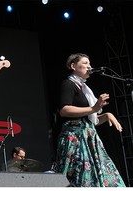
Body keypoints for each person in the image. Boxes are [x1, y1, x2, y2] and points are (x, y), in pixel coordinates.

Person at [54, 53, 126, 187]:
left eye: (90, 63)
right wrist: (93, 108)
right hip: (75, 137)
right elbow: (65, 110)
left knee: (103, 174)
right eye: (85, 63)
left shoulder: (85, 88)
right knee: (78, 176)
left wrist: (106, 115)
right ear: (73, 66)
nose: (89, 66)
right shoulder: (69, 84)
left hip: (89, 136)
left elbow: (90, 118)